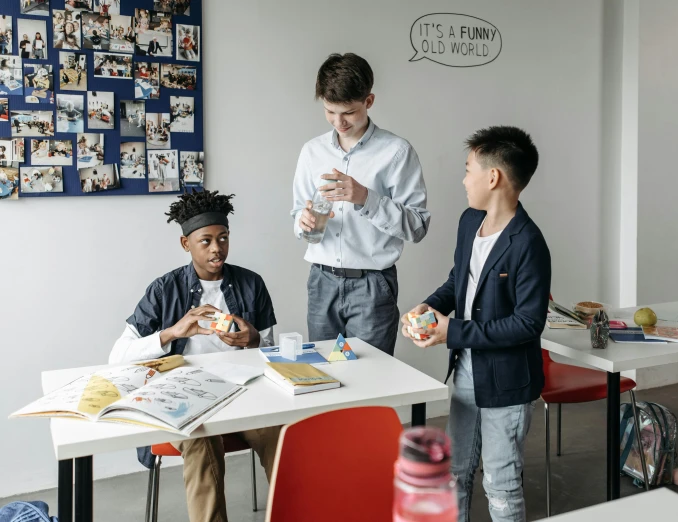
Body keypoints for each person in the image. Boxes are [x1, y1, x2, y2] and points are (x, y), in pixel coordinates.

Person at [402, 126, 551, 522]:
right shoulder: (470, 221)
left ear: (493, 177)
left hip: (507, 382)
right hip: (467, 369)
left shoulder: (528, 243)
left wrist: (452, 331)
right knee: (454, 474)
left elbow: (527, 324)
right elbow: (458, 282)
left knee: (500, 484)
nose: (464, 179)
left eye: (468, 169)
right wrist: (428, 307)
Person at [109, 190, 280, 521]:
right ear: (186, 244)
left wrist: (254, 338)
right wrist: (172, 332)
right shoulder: (164, 290)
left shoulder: (251, 283)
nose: (217, 248)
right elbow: (118, 355)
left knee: (281, 433)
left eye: (223, 238)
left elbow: (273, 352)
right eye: (206, 241)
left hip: (246, 393)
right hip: (186, 396)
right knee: (202, 442)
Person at [291, 53, 430, 355]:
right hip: (321, 281)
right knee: (322, 376)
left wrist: (366, 198)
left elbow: (417, 226)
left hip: (373, 285)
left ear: (369, 101)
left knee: (371, 379)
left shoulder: (396, 152)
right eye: (329, 111)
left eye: (348, 112)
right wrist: (302, 223)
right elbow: (297, 211)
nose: (339, 122)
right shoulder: (311, 151)